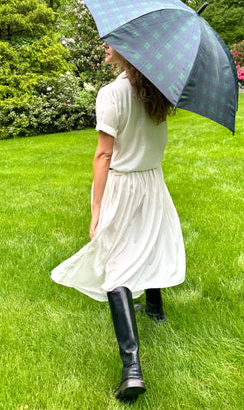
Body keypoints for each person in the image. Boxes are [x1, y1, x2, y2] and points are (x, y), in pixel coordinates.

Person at [51, 42, 186, 401]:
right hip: (152, 180)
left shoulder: (112, 94)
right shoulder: (157, 92)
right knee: (151, 240)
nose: (104, 46)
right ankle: (155, 307)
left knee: (115, 265)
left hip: (125, 182)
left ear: (130, 50)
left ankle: (132, 369)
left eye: (112, 42)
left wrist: (96, 210)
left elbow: (103, 154)